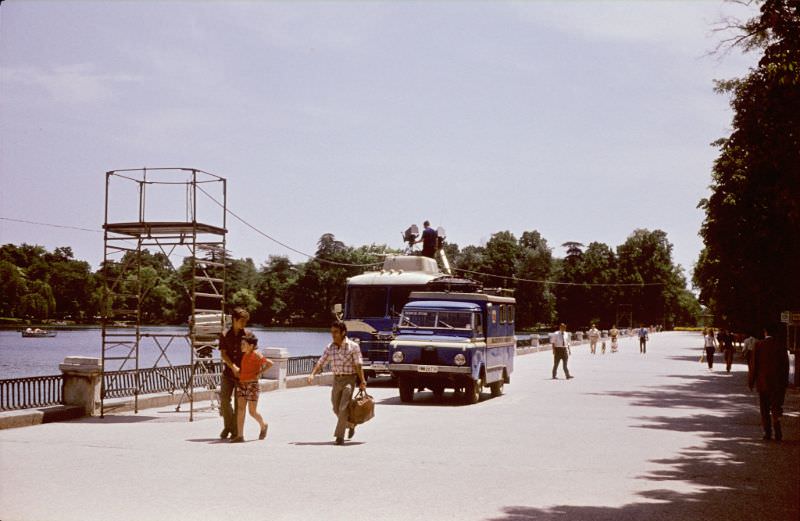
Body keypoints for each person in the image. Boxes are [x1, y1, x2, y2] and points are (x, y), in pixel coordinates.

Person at [307, 320, 367, 445]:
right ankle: (350, 424)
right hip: (337, 380)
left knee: (343, 406)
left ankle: (339, 436)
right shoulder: (330, 347)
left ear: (343, 332)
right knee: (335, 407)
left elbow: (358, 365)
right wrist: (312, 374)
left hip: (349, 379)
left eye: (336, 332)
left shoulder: (353, 347)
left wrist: (362, 381)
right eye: (332, 332)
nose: (333, 335)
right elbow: (321, 362)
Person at [748, 324, 790, 441]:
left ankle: (767, 432)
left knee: (764, 408)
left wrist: (751, 381)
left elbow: (754, 365)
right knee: (776, 406)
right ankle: (777, 428)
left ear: (765, 332)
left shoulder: (759, 345)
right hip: (778, 383)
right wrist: (785, 382)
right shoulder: (781, 346)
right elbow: (785, 366)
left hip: (763, 382)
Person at [230, 331, 273, 443]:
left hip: (252, 385)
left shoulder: (256, 355)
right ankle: (240, 436)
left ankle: (263, 425)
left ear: (251, 345)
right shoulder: (245, 355)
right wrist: (237, 370)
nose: (241, 346)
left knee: (252, 412)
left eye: (243, 344)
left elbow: (270, 363)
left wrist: (260, 372)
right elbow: (246, 369)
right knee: (240, 409)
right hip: (242, 384)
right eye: (241, 344)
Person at [218, 307, 249, 440]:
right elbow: (223, 354)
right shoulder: (224, 335)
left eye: (245, 321)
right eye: (242, 321)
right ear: (234, 320)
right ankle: (229, 426)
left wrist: (244, 370)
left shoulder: (248, 335)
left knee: (239, 404)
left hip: (244, 375)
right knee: (224, 400)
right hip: (228, 373)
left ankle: (235, 431)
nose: (244, 324)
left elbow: (252, 354)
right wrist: (233, 367)